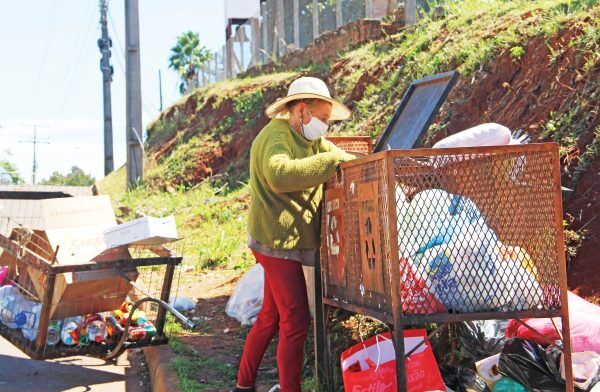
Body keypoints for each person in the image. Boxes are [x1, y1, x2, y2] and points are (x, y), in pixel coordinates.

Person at [232, 77, 356, 392]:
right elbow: (279, 174)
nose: (326, 127)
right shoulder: (276, 135)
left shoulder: (311, 140)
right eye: (323, 119)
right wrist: (331, 161)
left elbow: (338, 156)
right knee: (296, 319)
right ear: (302, 111)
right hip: (275, 240)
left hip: (286, 239)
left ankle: (244, 384)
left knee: (271, 317)